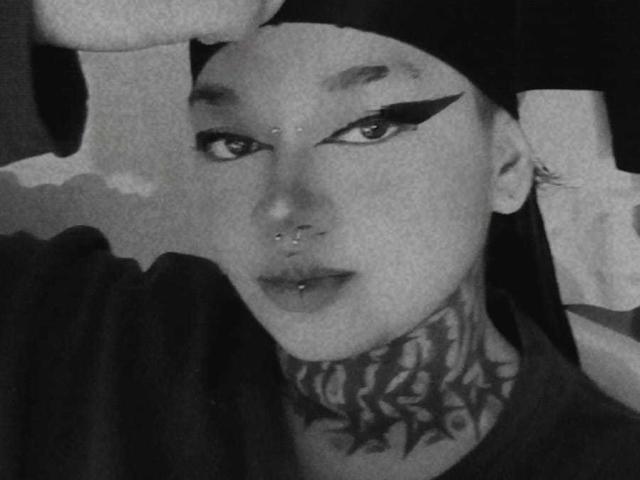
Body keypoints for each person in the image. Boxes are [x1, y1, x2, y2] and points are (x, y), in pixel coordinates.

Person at [1, 1, 640, 479]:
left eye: (368, 129)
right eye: (233, 142)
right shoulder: (84, 347)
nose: (284, 208)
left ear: (505, 165)